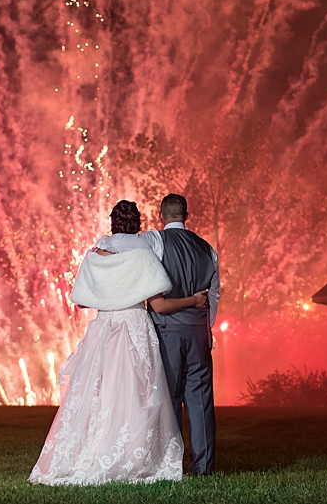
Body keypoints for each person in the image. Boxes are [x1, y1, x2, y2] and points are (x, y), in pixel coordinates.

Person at [29, 200, 208, 486]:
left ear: (112, 222)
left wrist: (110, 295)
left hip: (104, 330)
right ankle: (132, 455)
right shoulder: (144, 256)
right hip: (135, 327)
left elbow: (81, 301)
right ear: (138, 224)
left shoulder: (95, 256)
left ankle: (94, 452)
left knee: (101, 394)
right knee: (138, 395)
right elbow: (159, 306)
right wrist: (195, 300)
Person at [93, 193, 220, 476]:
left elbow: (121, 242)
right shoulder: (208, 249)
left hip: (166, 328)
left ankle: (171, 463)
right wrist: (207, 328)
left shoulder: (156, 240)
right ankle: (203, 467)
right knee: (200, 399)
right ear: (186, 215)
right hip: (198, 329)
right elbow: (214, 294)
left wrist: (101, 245)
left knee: (168, 396)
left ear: (162, 215)